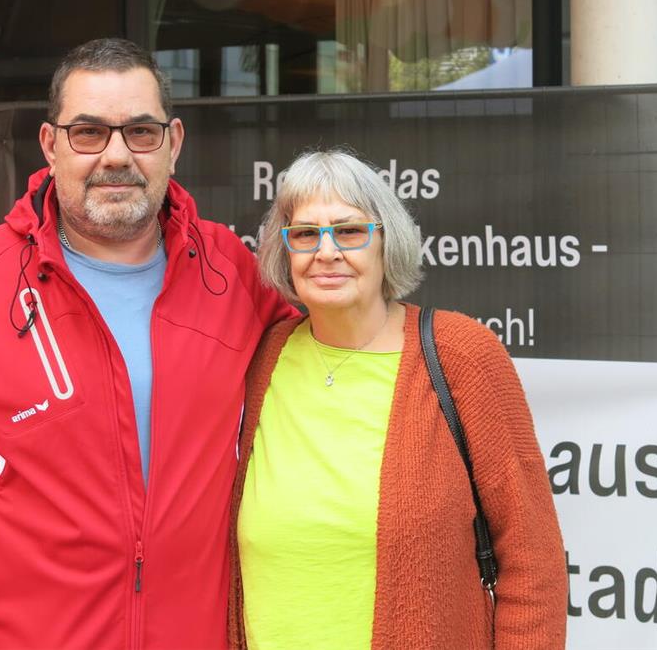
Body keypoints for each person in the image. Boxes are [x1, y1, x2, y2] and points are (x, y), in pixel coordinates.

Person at [0, 38, 295, 650]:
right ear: (51, 146)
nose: (117, 155)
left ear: (174, 143)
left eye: (142, 132)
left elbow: (332, 365)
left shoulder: (230, 271)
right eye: (89, 132)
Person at [228, 148, 567, 649]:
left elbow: (532, 561)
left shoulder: (461, 355)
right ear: (285, 250)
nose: (326, 251)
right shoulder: (264, 357)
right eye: (305, 234)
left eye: (349, 231)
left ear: (387, 242)